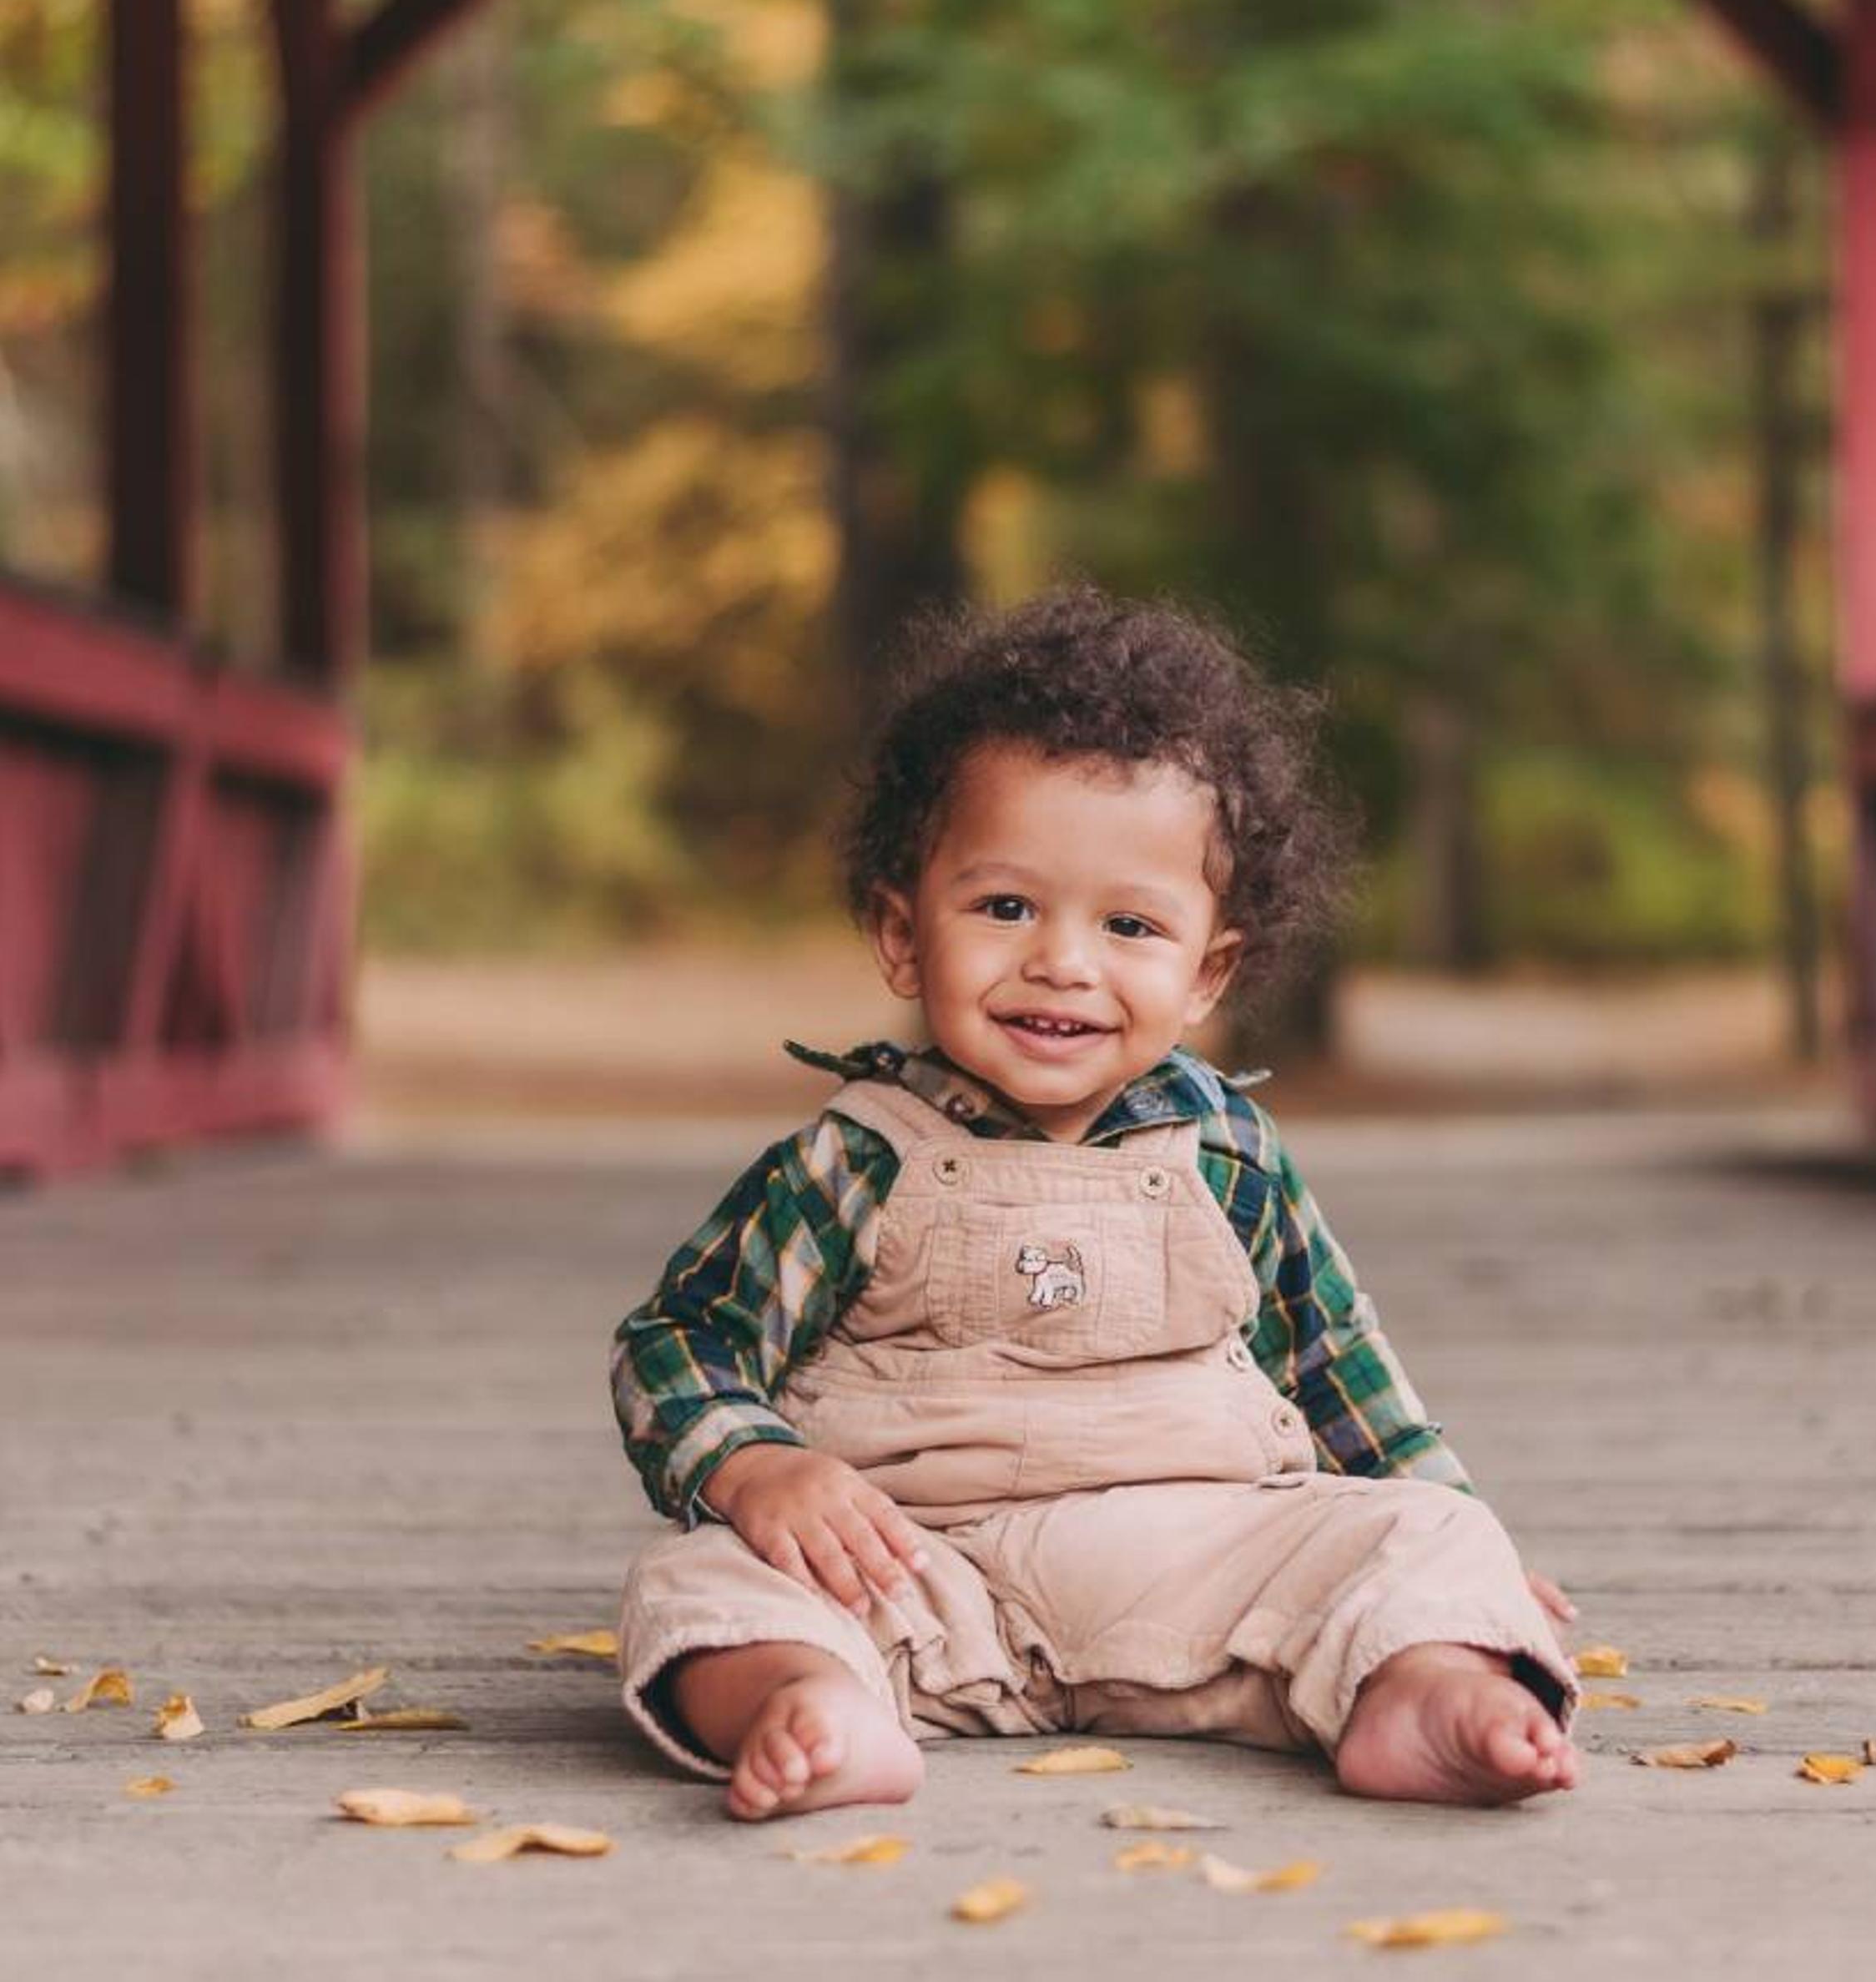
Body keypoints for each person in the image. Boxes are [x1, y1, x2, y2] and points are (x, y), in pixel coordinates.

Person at [609, 589, 1579, 1819]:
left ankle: (1425, 1690)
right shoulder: (856, 1161)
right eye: (1006, 907)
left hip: (1200, 1568)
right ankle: (818, 1703)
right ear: (903, 936)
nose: (1063, 961)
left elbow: (1340, 1366)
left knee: (1423, 1542)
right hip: (917, 1571)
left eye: (1129, 924)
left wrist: (1466, 1571)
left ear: (1208, 971)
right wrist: (754, 1467)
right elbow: (677, 1342)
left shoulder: (1230, 1152)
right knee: (694, 1583)